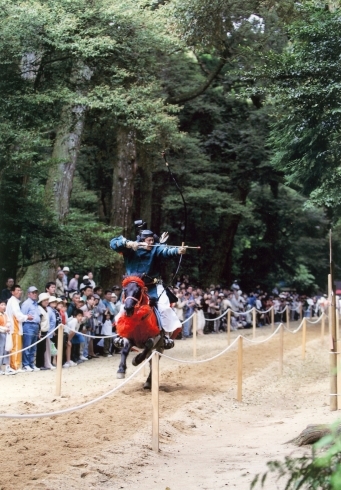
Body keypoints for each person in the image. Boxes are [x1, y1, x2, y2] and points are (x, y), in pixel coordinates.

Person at [110, 228, 185, 337]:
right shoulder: (130, 249)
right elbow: (113, 243)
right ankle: (120, 335)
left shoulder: (155, 248)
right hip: (133, 287)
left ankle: (165, 335)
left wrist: (177, 251)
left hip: (153, 286)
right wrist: (128, 243)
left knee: (164, 308)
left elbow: (165, 251)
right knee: (124, 308)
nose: (151, 243)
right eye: (148, 240)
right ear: (142, 240)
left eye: (152, 240)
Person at [6, 284, 34, 372]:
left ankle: (16, 365)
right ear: (13, 292)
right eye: (17, 290)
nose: (19, 292)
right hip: (14, 327)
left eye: (20, 290)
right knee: (15, 347)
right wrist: (26, 317)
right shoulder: (13, 302)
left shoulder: (14, 301)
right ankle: (14, 366)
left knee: (17, 346)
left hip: (16, 327)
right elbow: (17, 315)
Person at [20, 286, 41, 372]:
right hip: (28, 325)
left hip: (35, 326)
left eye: (36, 292)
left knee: (33, 347)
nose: (35, 294)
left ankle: (31, 363)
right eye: (33, 292)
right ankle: (26, 364)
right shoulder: (26, 304)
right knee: (27, 346)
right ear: (28, 294)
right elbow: (23, 316)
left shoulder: (36, 304)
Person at [0, 299, 16, 375]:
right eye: (2, 305)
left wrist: (8, 326)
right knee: (0, 350)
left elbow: (8, 321)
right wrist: (4, 329)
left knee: (7, 350)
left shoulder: (5, 315)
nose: (4, 306)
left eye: (4, 305)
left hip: (6, 334)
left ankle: (7, 367)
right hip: (1, 334)